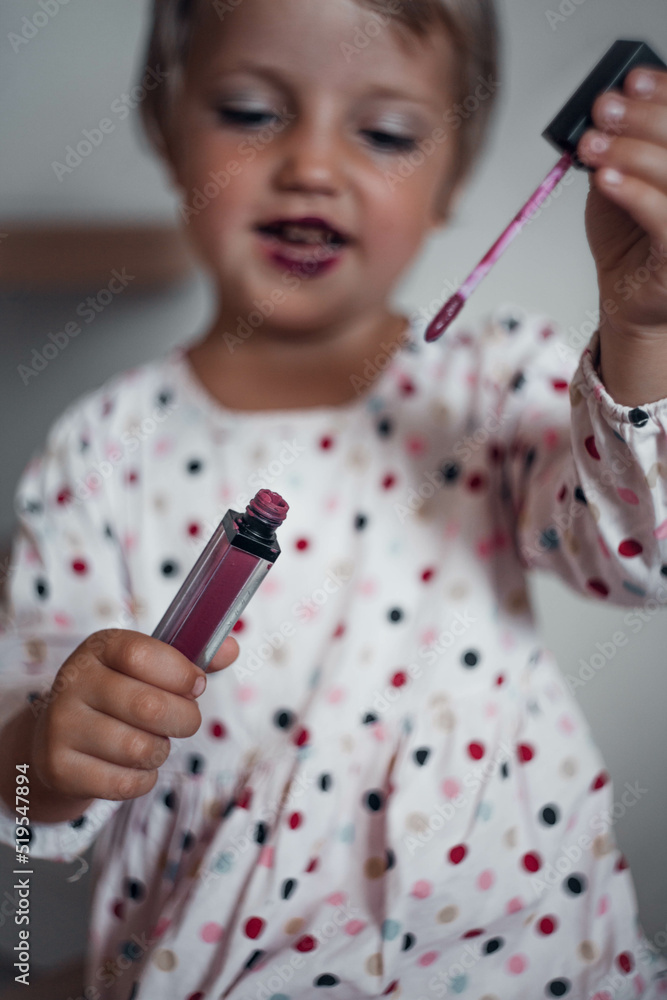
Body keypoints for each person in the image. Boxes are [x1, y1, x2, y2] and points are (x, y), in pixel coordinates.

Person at [1, 0, 667, 996]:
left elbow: (638, 558)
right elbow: (24, 789)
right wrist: (46, 751)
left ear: (452, 175)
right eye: (250, 111)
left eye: (386, 132)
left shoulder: (494, 384)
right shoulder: (101, 452)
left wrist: (641, 325)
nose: (312, 162)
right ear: (163, 126)